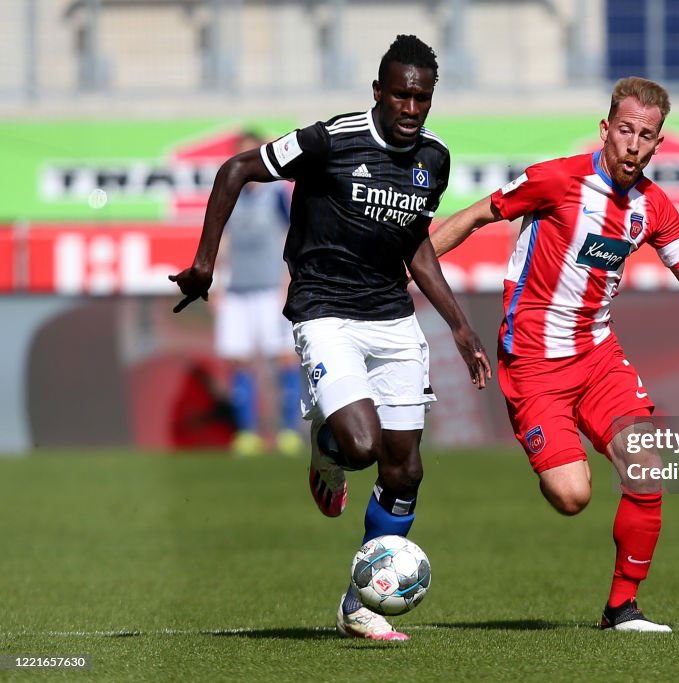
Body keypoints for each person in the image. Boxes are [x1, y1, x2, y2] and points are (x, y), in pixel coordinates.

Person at [170, 34, 491, 641]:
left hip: (393, 318)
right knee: (364, 444)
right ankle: (328, 447)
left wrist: (457, 322)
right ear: (378, 91)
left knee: (405, 471)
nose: (411, 108)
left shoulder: (434, 159)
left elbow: (416, 242)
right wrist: (206, 262)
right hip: (325, 312)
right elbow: (236, 169)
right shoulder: (330, 140)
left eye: (421, 98)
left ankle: (358, 603)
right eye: (400, 94)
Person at [431, 76, 679, 633]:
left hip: (598, 358)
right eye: (626, 130)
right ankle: (551, 450)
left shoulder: (654, 207)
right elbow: (475, 216)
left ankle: (621, 609)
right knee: (572, 495)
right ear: (606, 129)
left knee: (646, 467)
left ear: (658, 145)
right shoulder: (556, 180)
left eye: (647, 136)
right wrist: (407, 268)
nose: (634, 144)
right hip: (533, 364)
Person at [214, 130, 303, 457]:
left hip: (270, 289)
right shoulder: (228, 194)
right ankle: (248, 433)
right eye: (242, 156)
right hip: (237, 290)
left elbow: (293, 235)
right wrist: (217, 285)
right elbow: (221, 239)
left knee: (284, 360)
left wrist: (288, 282)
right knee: (238, 361)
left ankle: (287, 432)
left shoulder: (277, 194)